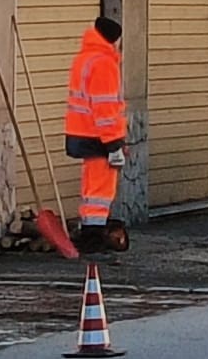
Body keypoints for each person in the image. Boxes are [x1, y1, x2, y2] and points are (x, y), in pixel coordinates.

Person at [64, 15, 131, 254]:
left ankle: (90, 231)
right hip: (98, 136)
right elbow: (105, 109)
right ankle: (93, 236)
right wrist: (114, 143)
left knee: (91, 185)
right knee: (101, 188)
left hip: (80, 131)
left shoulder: (83, 59)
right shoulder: (103, 63)